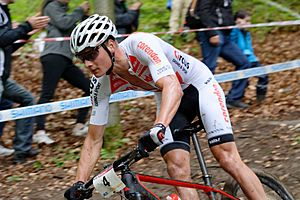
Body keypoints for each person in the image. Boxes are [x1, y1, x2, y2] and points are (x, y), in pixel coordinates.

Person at [64, 15, 267, 200]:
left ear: (110, 45)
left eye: (91, 54)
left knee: (226, 157)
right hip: (169, 99)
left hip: (198, 86)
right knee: (177, 170)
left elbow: (172, 85)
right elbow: (93, 137)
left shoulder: (139, 43)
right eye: (82, 58)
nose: (88, 63)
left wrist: (159, 126)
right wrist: (80, 182)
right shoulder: (100, 83)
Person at [34, 0, 91, 144]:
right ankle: (39, 131)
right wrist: (79, 10)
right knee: (47, 93)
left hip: (65, 58)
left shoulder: (64, 11)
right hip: (53, 56)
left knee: (90, 88)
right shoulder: (52, 6)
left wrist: (85, 16)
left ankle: (79, 125)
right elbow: (64, 23)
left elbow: (76, 30)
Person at [0, 0, 50, 163]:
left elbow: (6, 45)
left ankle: (22, 150)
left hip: (3, 77)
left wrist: (27, 32)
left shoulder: (4, 10)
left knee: (28, 100)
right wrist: (26, 26)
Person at [195, 0, 251, 109]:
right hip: (211, 33)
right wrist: (212, 32)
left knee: (244, 63)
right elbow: (202, 11)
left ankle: (233, 98)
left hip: (225, 35)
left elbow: (226, 12)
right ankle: (198, 101)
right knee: (209, 68)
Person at [231, 10, 268, 102]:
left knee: (263, 76)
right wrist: (237, 26)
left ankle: (260, 98)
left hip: (252, 59)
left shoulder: (246, 33)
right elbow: (232, 42)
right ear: (238, 21)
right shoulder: (234, 31)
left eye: (249, 21)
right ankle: (234, 98)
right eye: (246, 21)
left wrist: (253, 56)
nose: (249, 23)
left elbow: (249, 47)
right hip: (243, 59)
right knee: (243, 80)